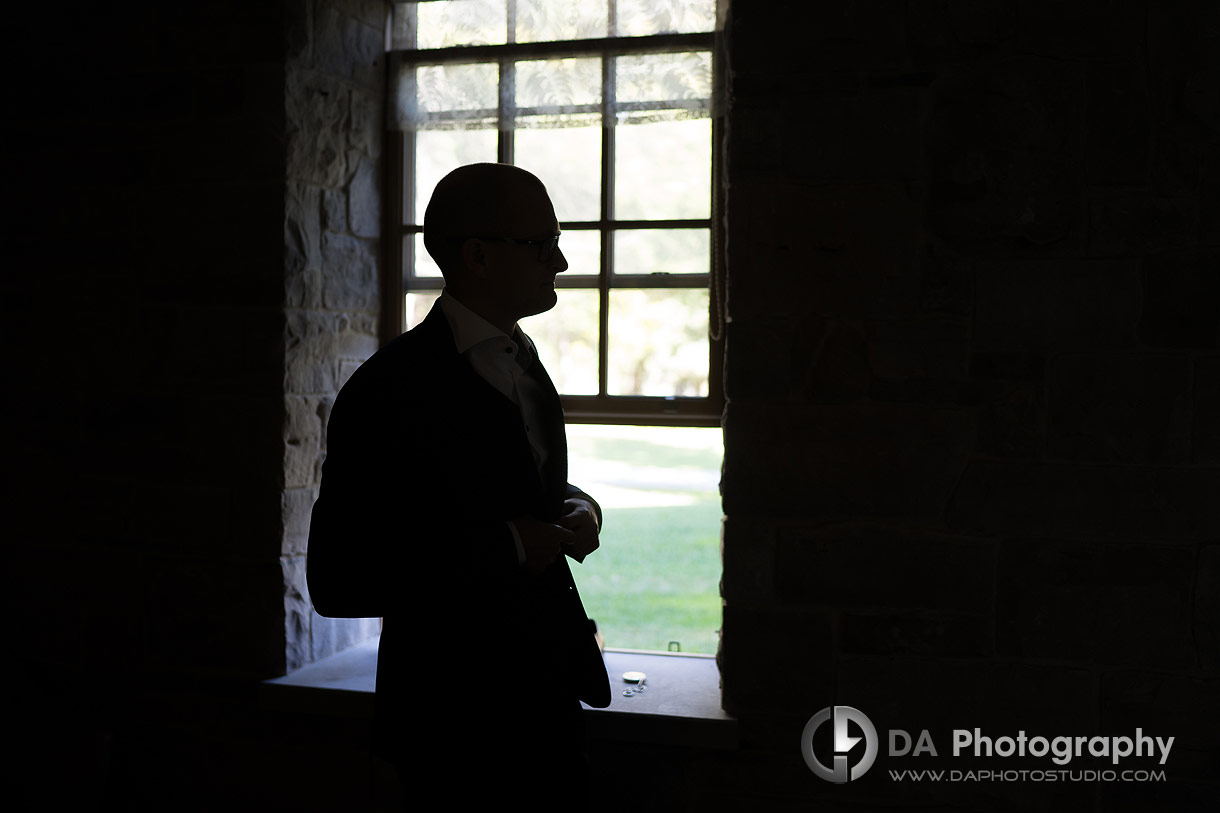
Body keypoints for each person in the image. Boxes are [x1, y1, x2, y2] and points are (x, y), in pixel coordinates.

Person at [306, 163, 611, 809]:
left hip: (549, 703)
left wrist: (574, 505)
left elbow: (489, 484)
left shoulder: (521, 361)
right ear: (476, 255)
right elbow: (339, 576)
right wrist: (511, 543)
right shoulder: (386, 389)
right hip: (452, 724)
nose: (559, 259)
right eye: (540, 243)